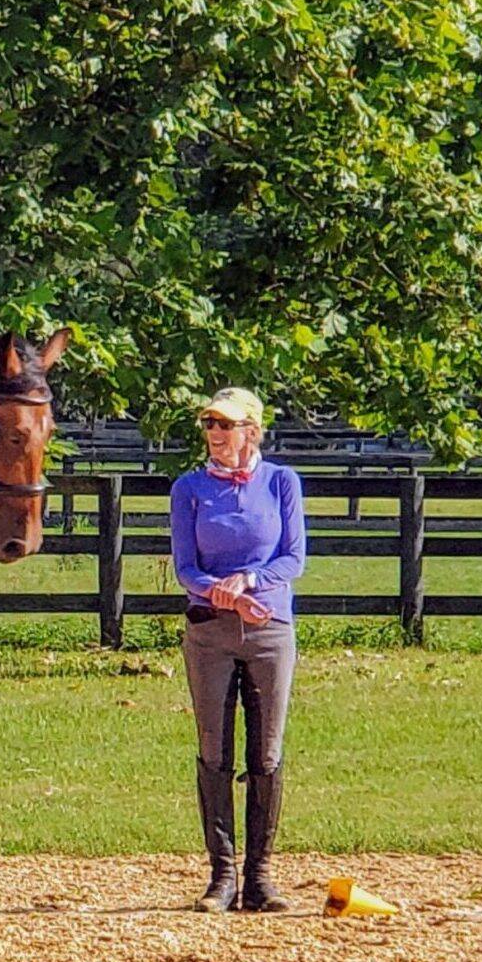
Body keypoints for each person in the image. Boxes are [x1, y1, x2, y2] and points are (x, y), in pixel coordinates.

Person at [169, 386, 307, 913]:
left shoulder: (281, 483)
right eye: (209, 424)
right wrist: (218, 591)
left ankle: (261, 875)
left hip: (271, 629)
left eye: (225, 424)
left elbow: (293, 558)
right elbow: (186, 567)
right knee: (213, 749)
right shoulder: (189, 488)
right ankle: (221, 874)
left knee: (266, 752)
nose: (215, 433)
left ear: (252, 429)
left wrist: (249, 582)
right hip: (210, 633)